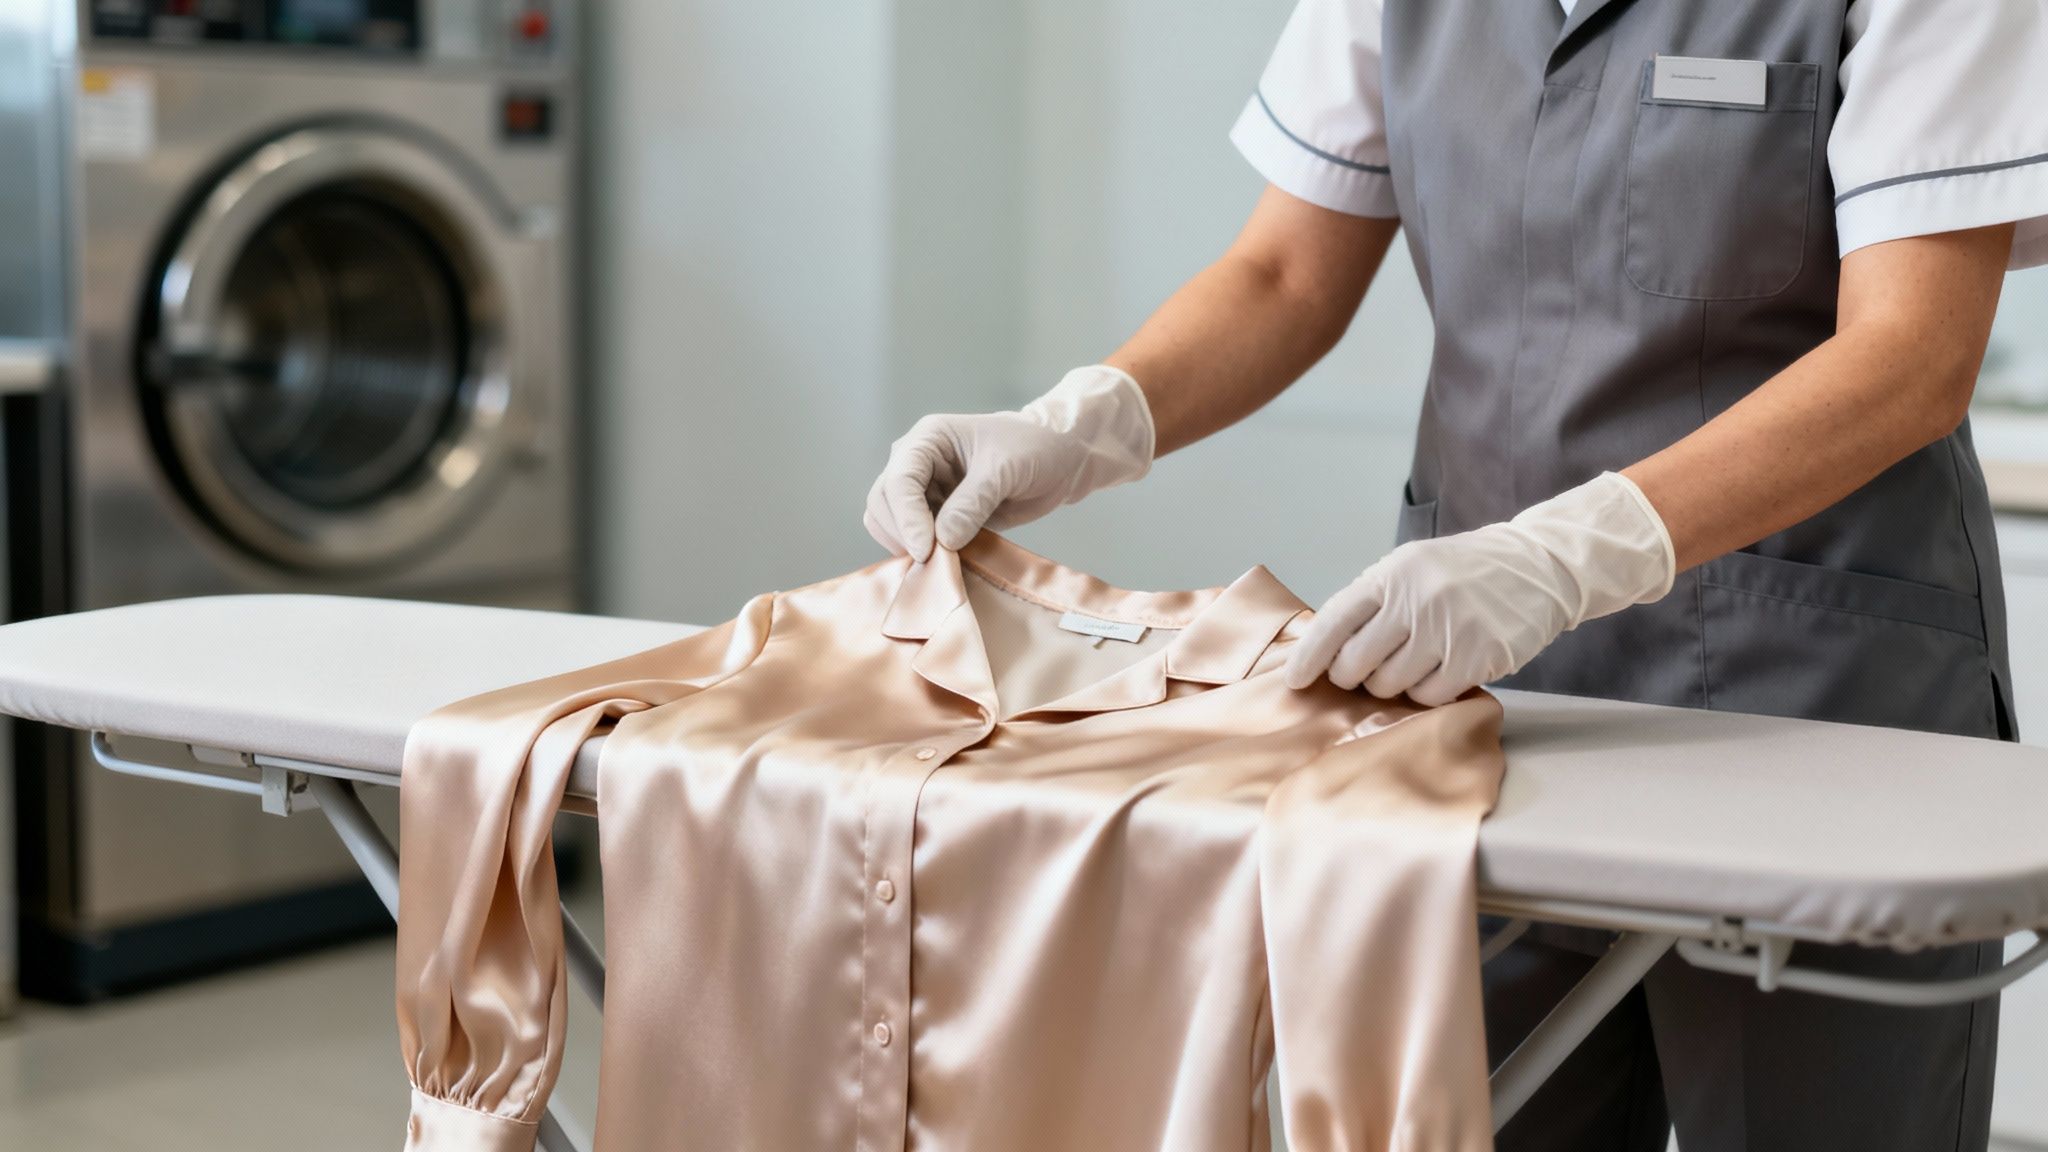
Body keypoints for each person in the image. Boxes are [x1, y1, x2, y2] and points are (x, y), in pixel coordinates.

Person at [864, 1, 2048, 1149]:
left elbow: (1908, 356)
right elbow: (1283, 274)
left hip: (1808, 701)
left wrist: (1555, 555)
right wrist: (1082, 424)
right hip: (1482, 709)